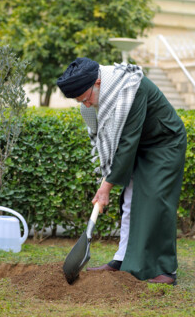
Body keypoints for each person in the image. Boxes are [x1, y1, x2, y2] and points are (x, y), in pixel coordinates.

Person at [57, 57, 187, 286]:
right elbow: (117, 141)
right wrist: (107, 182)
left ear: (97, 82)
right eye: (80, 101)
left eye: (86, 99)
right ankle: (121, 259)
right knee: (129, 201)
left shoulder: (130, 89)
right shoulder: (104, 94)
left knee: (158, 201)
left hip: (165, 143)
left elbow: (127, 142)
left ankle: (166, 270)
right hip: (142, 144)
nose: (86, 105)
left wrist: (106, 187)